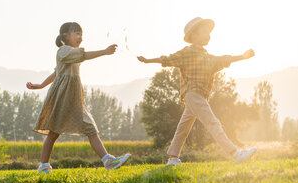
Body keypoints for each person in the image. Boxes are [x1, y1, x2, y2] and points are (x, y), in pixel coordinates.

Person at [137, 17, 257, 166]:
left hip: (196, 96)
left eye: (209, 32)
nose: (208, 35)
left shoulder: (207, 57)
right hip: (193, 94)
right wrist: (148, 60)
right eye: (204, 32)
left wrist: (243, 56)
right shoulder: (187, 53)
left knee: (183, 128)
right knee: (213, 122)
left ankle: (173, 159)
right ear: (193, 36)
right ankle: (235, 153)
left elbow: (224, 59)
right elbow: (167, 59)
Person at [27, 22, 131, 173]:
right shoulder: (63, 51)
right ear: (65, 36)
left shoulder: (71, 52)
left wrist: (41, 85)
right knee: (54, 131)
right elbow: (80, 57)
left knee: (90, 128)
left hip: (75, 97)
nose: (80, 37)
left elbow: (57, 71)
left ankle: (108, 160)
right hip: (62, 96)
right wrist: (104, 51)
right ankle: (43, 166)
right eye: (76, 33)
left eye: (81, 34)